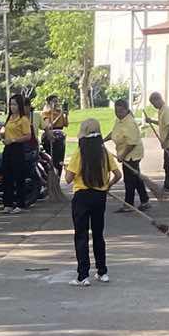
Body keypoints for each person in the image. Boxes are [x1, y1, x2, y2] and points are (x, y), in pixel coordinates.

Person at [63, 117, 120, 285]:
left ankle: (83, 276)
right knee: (98, 235)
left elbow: (68, 179)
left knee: (81, 235)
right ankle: (102, 272)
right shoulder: (104, 153)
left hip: (81, 196)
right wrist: (107, 185)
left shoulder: (79, 153)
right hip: (99, 197)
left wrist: (67, 168)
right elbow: (118, 175)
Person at [108, 96, 153, 211]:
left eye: (121, 111)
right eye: (116, 111)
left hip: (132, 154)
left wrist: (122, 155)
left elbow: (132, 143)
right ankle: (145, 200)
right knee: (136, 178)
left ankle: (129, 204)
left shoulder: (130, 122)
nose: (118, 114)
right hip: (125, 153)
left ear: (126, 110)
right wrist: (103, 139)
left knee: (129, 180)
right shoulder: (120, 120)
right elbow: (114, 132)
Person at [0, 93, 37, 211]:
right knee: (7, 176)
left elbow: (28, 136)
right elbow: (5, 132)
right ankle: (8, 203)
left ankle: (20, 203)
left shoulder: (23, 119)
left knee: (19, 176)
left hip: (18, 148)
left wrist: (14, 140)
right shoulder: (9, 118)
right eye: (11, 104)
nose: (12, 107)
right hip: (8, 149)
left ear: (19, 106)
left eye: (14, 104)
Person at [148, 90, 169, 195]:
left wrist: (166, 141)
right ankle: (167, 186)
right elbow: (162, 124)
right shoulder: (161, 110)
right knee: (167, 165)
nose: (154, 106)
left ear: (158, 100)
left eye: (154, 104)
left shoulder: (166, 110)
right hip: (168, 143)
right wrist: (151, 121)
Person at [39, 96, 68, 199]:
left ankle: (57, 183)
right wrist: (57, 115)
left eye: (57, 101)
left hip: (60, 136)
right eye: (54, 101)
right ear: (49, 102)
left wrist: (65, 115)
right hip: (50, 137)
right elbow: (49, 126)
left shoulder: (59, 112)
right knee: (51, 160)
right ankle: (49, 184)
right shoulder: (46, 113)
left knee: (59, 161)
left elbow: (65, 124)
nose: (56, 103)